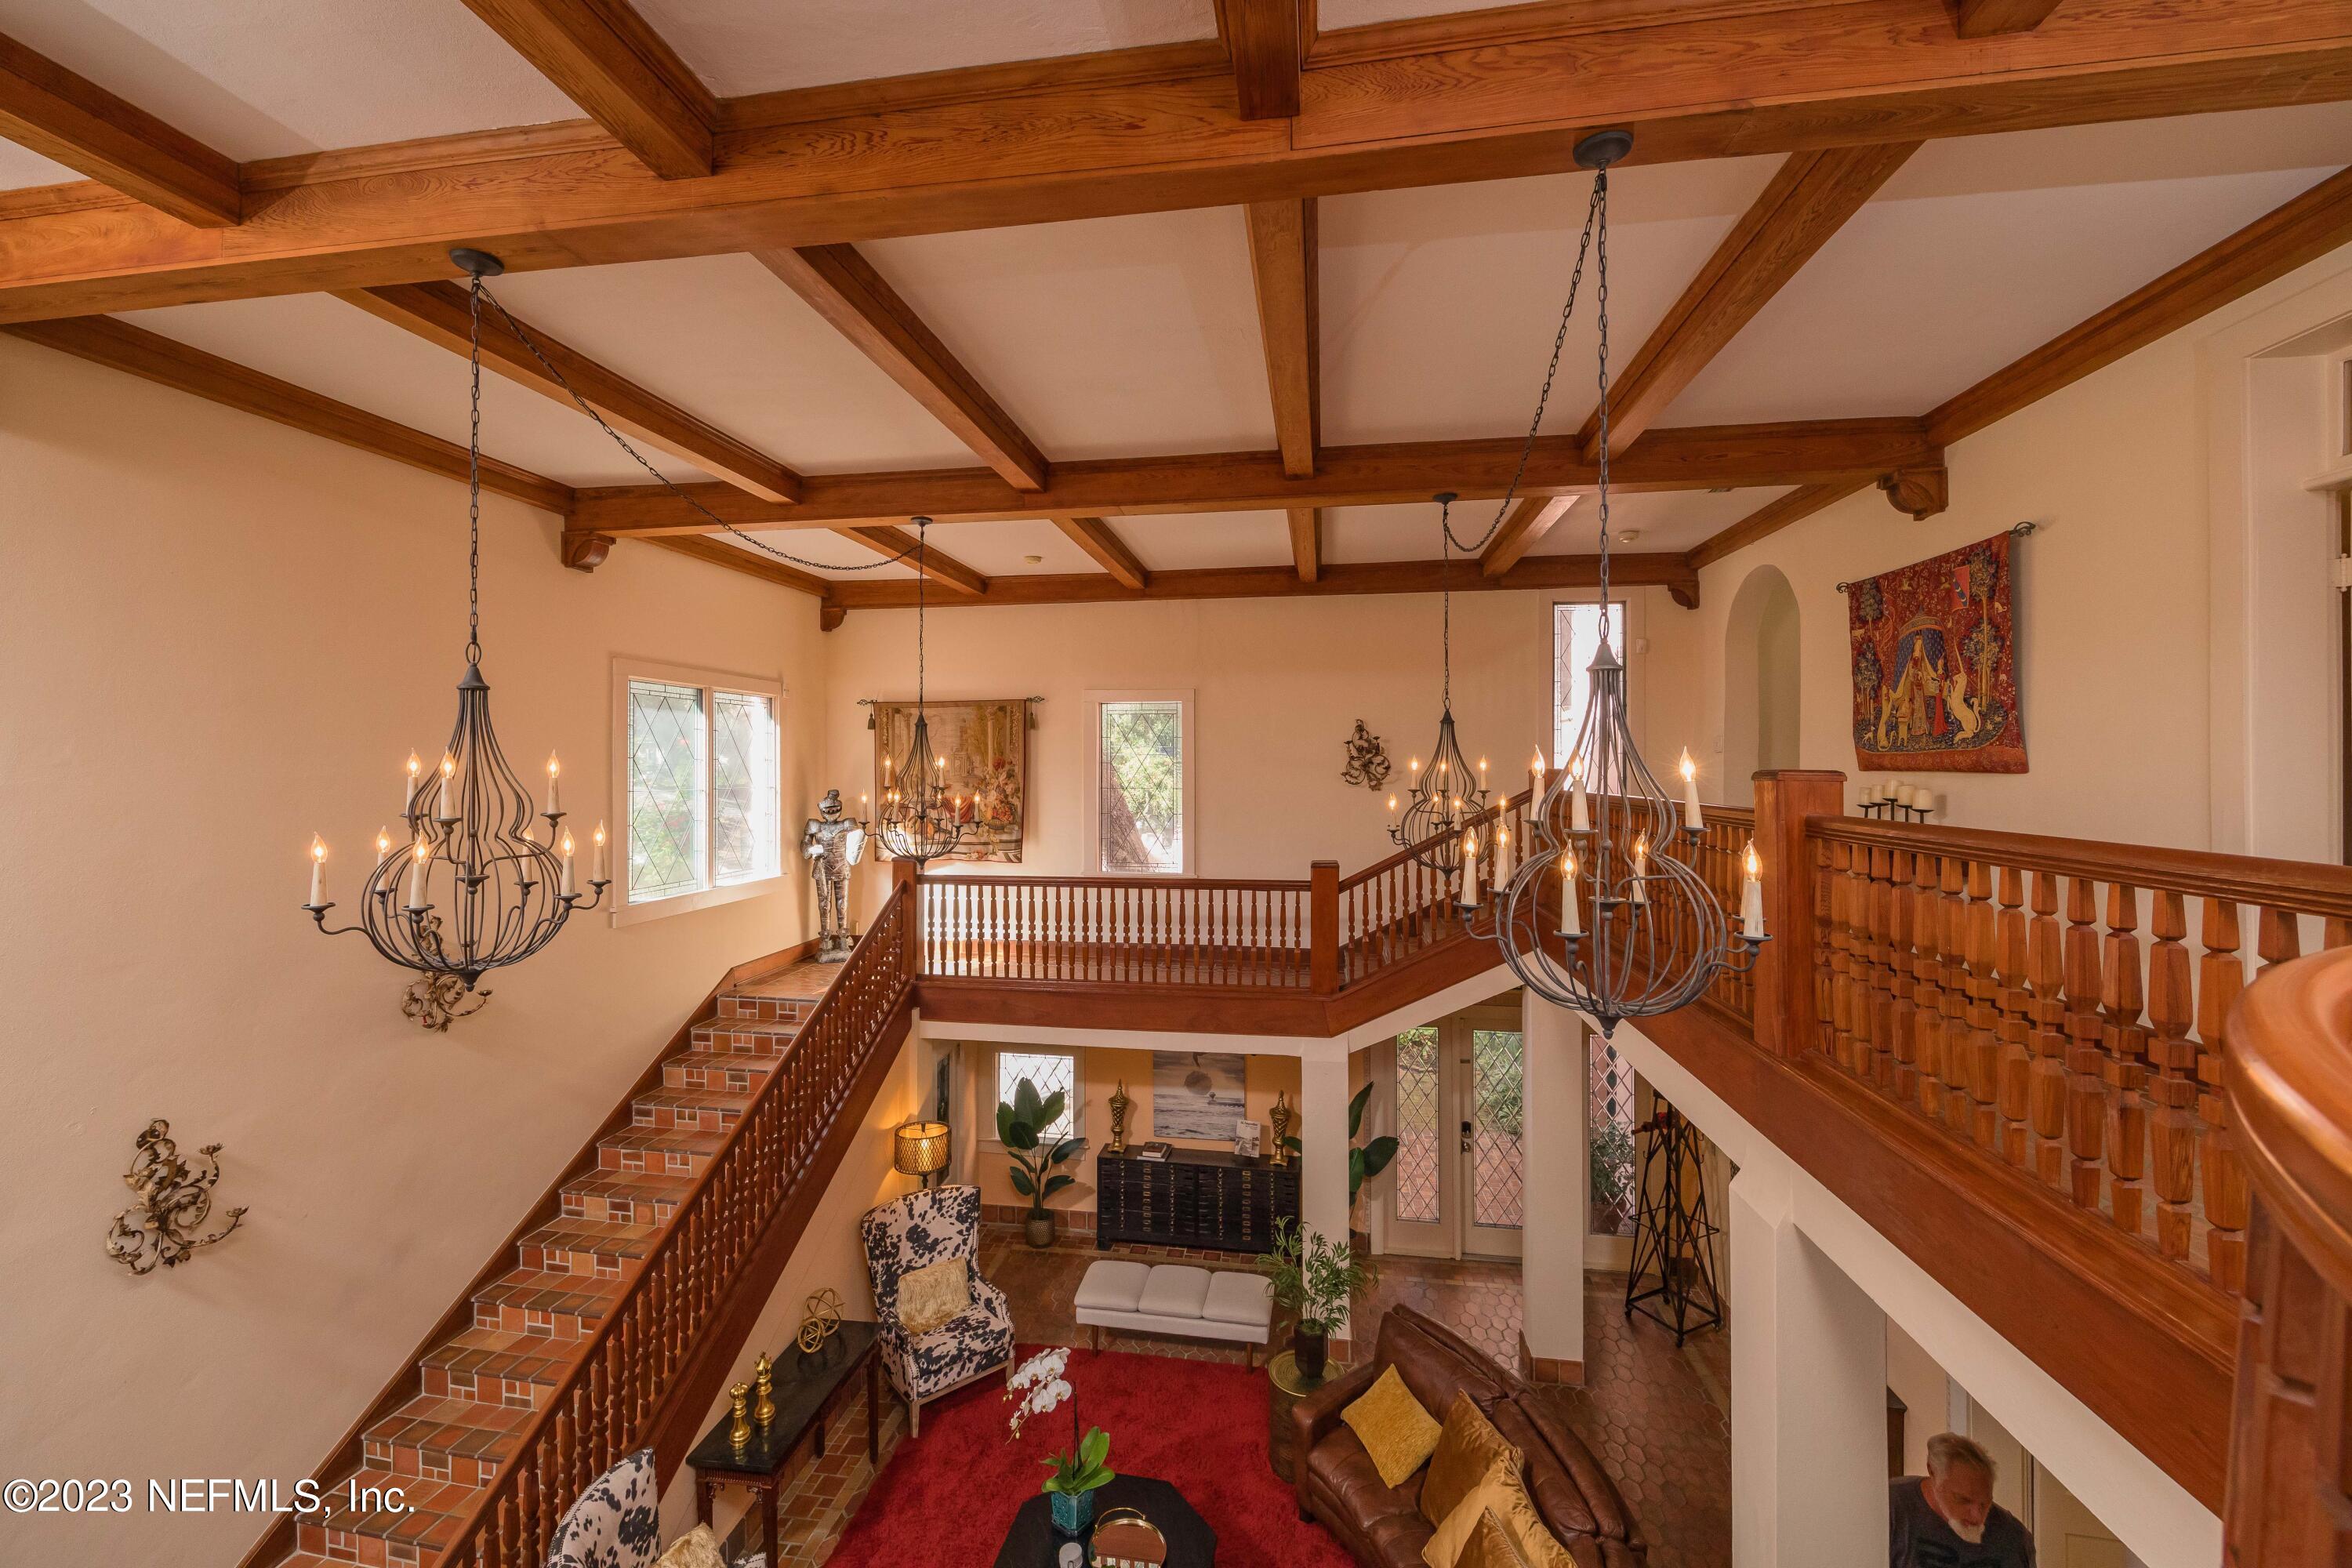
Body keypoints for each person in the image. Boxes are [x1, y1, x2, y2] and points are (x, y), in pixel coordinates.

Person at [1892, 1432, 2036, 1568]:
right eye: (1963, 1500)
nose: (1977, 1517)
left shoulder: (2012, 1536)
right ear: (1933, 1472)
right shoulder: (1889, 1507)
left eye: (1984, 1504)